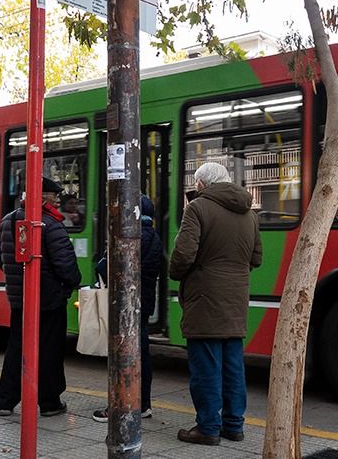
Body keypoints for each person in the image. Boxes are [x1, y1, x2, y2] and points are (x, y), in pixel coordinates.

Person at [169, 163, 262, 446]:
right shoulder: (249, 213)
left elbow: (183, 254)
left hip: (205, 297)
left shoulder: (197, 208)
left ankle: (208, 427)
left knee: (206, 366)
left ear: (201, 184)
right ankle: (234, 425)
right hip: (236, 298)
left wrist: (176, 272)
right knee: (233, 365)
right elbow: (256, 258)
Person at [0, 176, 82, 417]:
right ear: (43, 196)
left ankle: (5, 400)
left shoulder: (7, 221)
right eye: (54, 196)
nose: (57, 201)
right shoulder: (50, 224)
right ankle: (49, 402)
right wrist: (72, 284)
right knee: (49, 350)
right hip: (49, 300)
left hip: (19, 299)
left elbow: (0, 259)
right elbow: (65, 264)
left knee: (16, 348)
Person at [92, 194, 165, 422]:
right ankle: (143, 404)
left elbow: (104, 267)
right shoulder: (154, 237)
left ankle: (122, 405)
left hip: (125, 305)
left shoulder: (129, 236)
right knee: (142, 353)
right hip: (143, 305)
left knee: (123, 353)